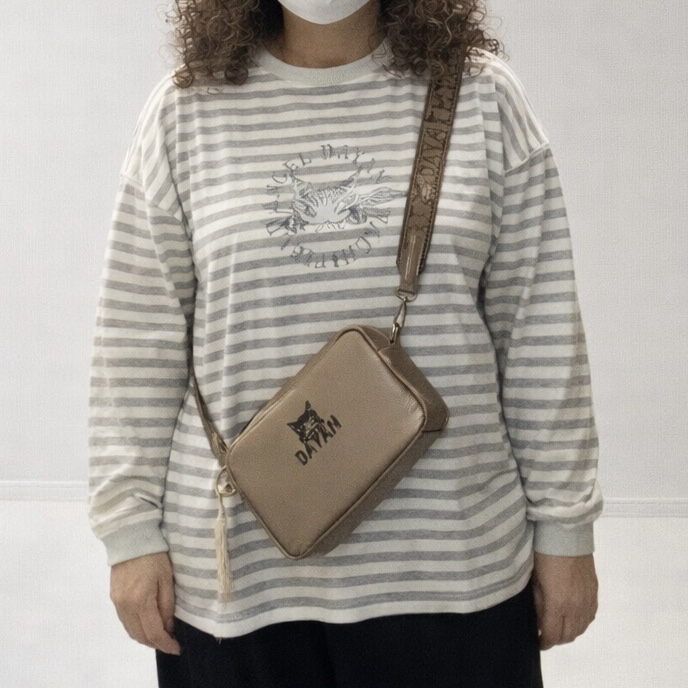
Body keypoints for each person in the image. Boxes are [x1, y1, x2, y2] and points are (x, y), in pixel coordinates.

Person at [88, 1, 603, 686]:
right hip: (238, 582)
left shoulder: (483, 97)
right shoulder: (185, 110)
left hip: (455, 568)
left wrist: (566, 529)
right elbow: (135, 343)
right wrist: (128, 535)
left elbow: (539, 329)